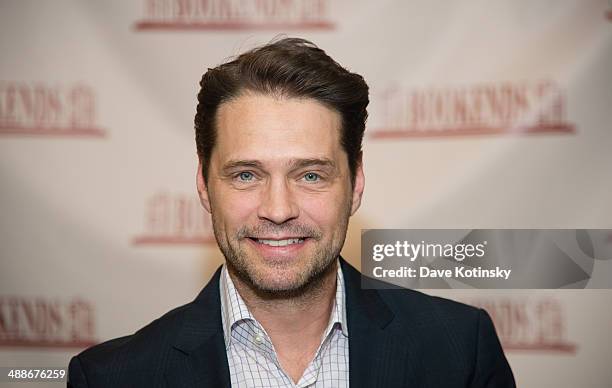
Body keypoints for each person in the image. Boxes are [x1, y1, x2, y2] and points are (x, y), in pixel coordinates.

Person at [68, 37, 515, 388]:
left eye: (311, 176)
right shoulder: (113, 377)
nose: (278, 210)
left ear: (355, 184)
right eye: (246, 175)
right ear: (204, 186)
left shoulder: (459, 351)